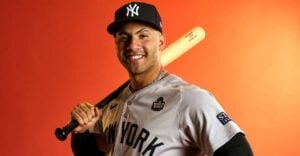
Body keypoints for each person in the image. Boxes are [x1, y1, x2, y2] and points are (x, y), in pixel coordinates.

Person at [70, 1, 253, 156]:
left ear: (161, 42)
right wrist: (82, 133)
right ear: (116, 44)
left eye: (143, 35)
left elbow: (238, 151)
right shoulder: (112, 106)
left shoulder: (188, 100)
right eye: (124, 37)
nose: (133, 45)